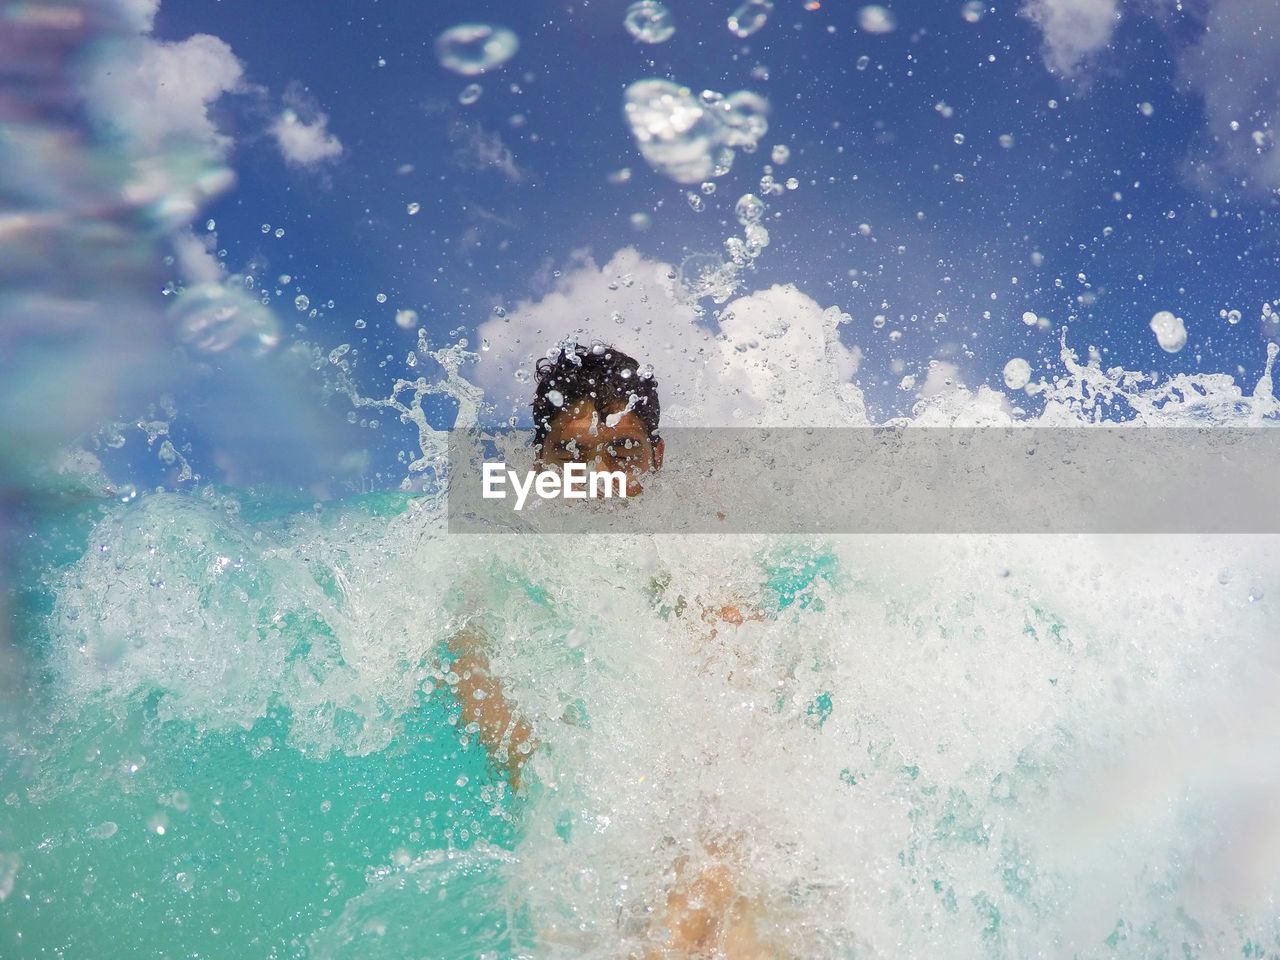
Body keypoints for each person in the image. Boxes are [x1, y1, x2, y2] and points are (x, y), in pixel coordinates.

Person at [445, 341, 781, 958]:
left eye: (621, 452)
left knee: (736, 919)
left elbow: (738, 775)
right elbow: (499, 726)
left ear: (656, 457)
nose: (597, 480)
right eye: (570, 454)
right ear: (538, 463)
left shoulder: (701, 560)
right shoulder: (497, 568)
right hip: (597, 856)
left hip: (725, 857)